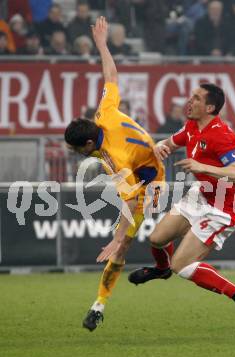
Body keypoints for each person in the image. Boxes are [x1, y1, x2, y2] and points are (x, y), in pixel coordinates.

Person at [129, 83, 235, 332]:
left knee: (182, 265)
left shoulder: (221, 134)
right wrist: (158, 147)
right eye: (191, 97)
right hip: (203, 195)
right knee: (157, 238)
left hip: (225, 207)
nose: (189, 101)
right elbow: (170, 142)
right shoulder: (191, 126)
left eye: (196, 98)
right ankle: (161, 269)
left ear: (210, 107)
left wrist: (204, 168)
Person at [64, 16, 168, 332]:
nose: (74, 154)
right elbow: (111, 74)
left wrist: (117, 238)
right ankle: (99, 306)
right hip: (139, 173)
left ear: (86, 144)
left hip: (153, 182)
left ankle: (105, 300)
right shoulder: (103, 114)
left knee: (123, 245)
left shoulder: (116, 159)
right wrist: (102, 44)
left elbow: (130, 202)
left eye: (74, 149)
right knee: (130, 238)